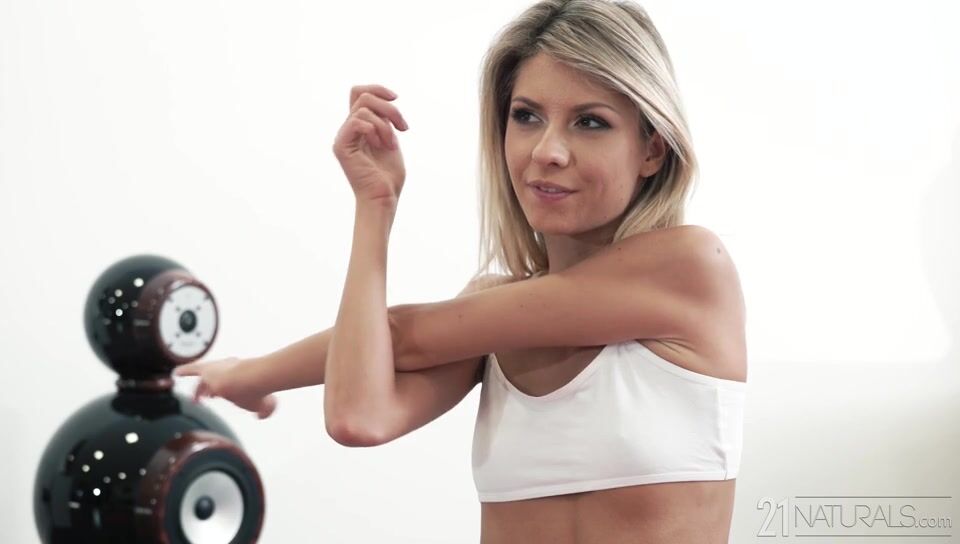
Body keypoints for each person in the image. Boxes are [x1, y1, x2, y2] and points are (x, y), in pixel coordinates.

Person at [175, 0, 749, 542]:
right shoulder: (490, 309)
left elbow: (405, 335)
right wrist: (375, 204)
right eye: (526, 116)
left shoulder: (691, 268)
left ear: (652, 149)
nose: (547, 151)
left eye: (590, 122)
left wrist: (254, 374)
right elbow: (358, 416)